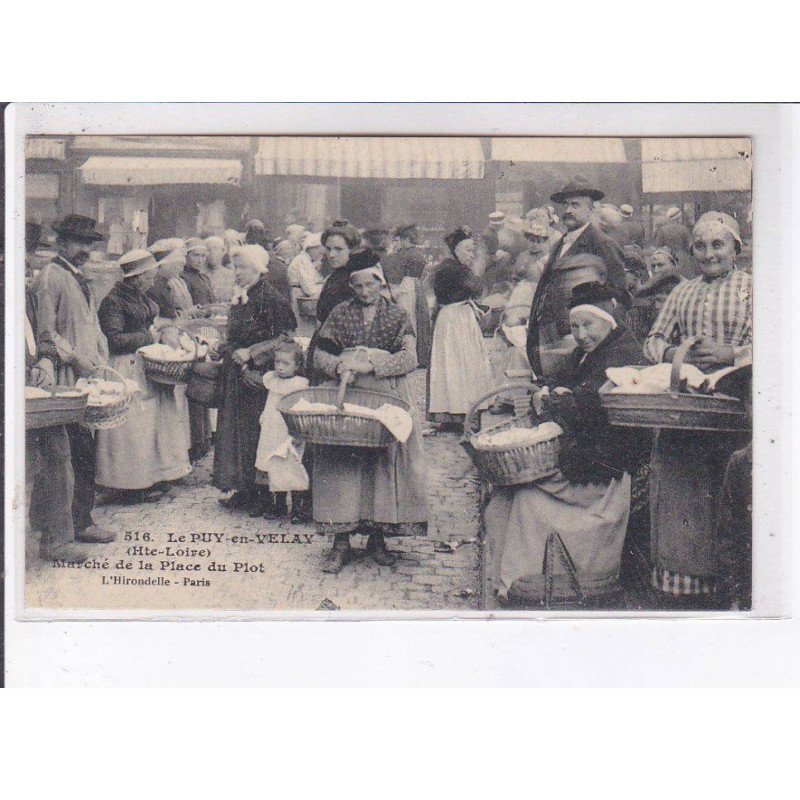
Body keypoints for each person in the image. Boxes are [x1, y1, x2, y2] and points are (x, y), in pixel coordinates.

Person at [484, 282, 650, 606]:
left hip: (605, 475)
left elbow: (594, 408)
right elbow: (563, 384)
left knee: (526, 499)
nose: (581, 333)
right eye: (575, 326)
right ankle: (507, 581)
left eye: (588, 324)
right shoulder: (587, 353)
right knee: (502, 496)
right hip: (582, 457)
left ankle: (532, 582)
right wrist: (551, 392)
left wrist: (557, 400)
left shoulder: (624, 356)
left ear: (608, 320)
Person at [644, 212, 752, 608]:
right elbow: (654, 340)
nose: (709, 254)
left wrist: (730, 354)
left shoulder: (752, 289)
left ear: (735, 248)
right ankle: (682, 584)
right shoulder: (682, 291)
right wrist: (675, 351)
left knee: (723, 490)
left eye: (717, 245)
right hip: (684, 409)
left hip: (734, 407)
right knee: (682, 492)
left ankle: (729, 585)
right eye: (700, 246)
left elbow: (779, 341)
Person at [312, 254, 429, 573]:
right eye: (359, 285)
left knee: (381, 465)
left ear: (381, 283)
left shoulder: (397, 315)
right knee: (343, 465)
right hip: (347, 394)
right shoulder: (340, 314)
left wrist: (374, 364)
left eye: (371, 284)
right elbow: (319, 354)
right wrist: (337, 364)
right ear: (351, 286)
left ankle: (378, 536)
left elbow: (410, 357)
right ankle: (340, 541)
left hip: (385, 394)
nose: (365, 291)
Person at [35, 214, 114, 544]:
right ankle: (80, 522)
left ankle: (42, 517)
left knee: (72, 450)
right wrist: (79, 360)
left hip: (87, 375)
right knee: (77, 452)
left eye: (90, 244)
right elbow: (47, 332)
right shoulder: (51, 276)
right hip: (67, 377)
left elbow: (91, 325)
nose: (86, 250)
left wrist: (102, 359)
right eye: (80, 243)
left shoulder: (79, 276)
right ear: (62, 243)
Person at [95, 250, 192, 498]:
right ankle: (128, 484)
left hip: (146, 364)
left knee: (155, 423)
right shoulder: (113, 301)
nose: (151, 280)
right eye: (148, 276)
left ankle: (155, 475)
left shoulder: (140, 296)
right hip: (126, 367)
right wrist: (150, 336)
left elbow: (152, 322)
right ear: (135, 277)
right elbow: (114, 339)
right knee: (133, 427)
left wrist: (164, 330)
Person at [213, 245, 297, 514]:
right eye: (235, 267)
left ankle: (262, 493)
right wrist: (224, 347)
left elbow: (286, 336)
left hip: (259, 377)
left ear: (258, 270)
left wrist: (253, 352)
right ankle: (242, 488)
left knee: (256, 434)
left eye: (243, 267)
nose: (237, 272)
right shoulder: (243, 295)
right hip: (236, 374)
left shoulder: (271, 297)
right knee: (235, 432)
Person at [25, 223, 89, 563]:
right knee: (50, 459)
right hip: (32, 379)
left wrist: (45, 359)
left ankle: (55, 538)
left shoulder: (35, 286)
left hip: (40, 377)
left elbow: (40, 335)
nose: (29, 261)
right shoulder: (46, 279)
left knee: (58, 455)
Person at [526, 176, 632, 381]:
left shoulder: (601, 243)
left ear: (591, 209)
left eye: (576, 205)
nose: (568, 210)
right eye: (565, 204)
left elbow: (621, 297)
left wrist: (602, 343)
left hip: (582, 342)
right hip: (552, 339)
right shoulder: (560, 243)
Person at [427, 226, 494, 431]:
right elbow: (474, 288)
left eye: (472, 250)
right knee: (454, 362)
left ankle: (465, 410)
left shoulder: (459, 269)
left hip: (463, 317)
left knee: (466, 362)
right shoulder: (448, 269)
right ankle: (454, 412)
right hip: (453, 320)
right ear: (455, 250)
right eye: (467, 250)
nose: (471, 254)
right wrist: (476, 274)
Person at [254, 340, 310, 520]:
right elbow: (270, 403)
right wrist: (264, 417)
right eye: (277, 362)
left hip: (288, 433)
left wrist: (299, 431)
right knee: (270, 464)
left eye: (286, 363)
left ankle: (297, 508)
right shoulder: (272, 380)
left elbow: (301, 409)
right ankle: (277, 505)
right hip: (271, 430)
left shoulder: (299, 384)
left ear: (297, 365)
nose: (280, 367)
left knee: (290, 466)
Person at [381, 222, 433, 368]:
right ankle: (421, 354)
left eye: (401, 240)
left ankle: (411, 354)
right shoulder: (417, 254)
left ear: (406, 240)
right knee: (419, 318)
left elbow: (393, 273)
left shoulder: (403, 255)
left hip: (406, 287)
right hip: (417, 286)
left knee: (409, 318)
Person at [625, 266, 684, 343]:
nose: (656, 306)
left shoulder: (685, 324)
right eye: (657, 300)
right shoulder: (642, 320)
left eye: (663, 301)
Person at [287, 231, 325, 318]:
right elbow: (310, 290)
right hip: (300, 298)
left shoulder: (305, 260)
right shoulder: (303, 261)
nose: (320, 256)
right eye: (319, 252)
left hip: (302, 298)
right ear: (311, 248)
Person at [655, 207, 692, 276]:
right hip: (682, 257)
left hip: (668, 257)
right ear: (678, 217)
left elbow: (658, 246)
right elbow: (689, 246)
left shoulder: (663, 230)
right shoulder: (684, 229)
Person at [181, 238, 214, 307]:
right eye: (196, 255)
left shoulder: (205, 278)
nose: (200, 260)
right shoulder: (182, 278)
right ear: (186, 256)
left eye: (203, 256)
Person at [205, 235, 236, 303]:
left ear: (223, 251)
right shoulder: (200, 274)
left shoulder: (231, 275)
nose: (212, 252)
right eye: (208, 250)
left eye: (215, 248)